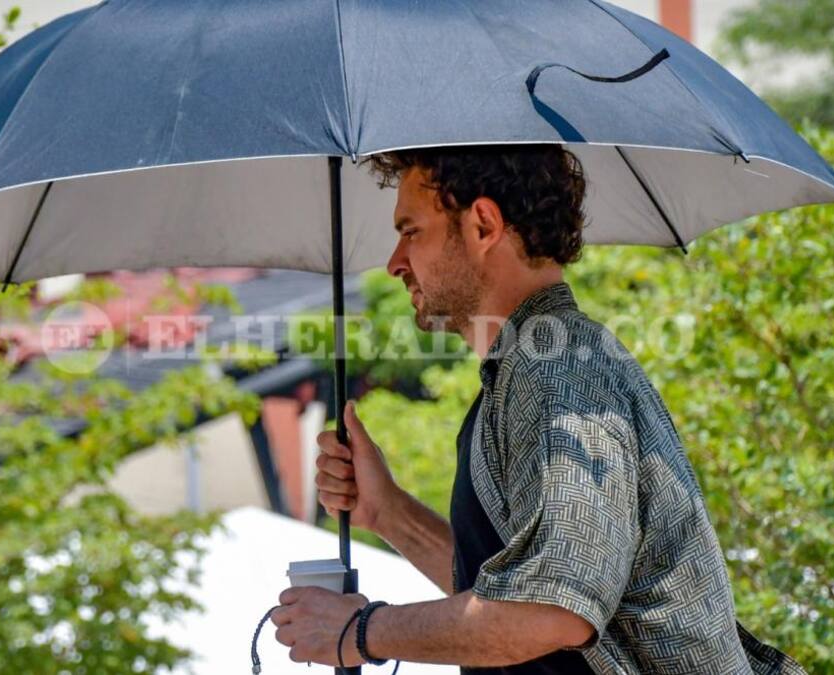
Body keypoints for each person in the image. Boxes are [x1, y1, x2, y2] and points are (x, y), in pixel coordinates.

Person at [270, 145, 803, 674]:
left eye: (411, 232)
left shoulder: (557, 371)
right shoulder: (532, 365)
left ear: (483, 225)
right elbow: (516, 591)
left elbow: (553, 610)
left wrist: (360, 633)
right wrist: (389, 513)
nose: (395, 263)